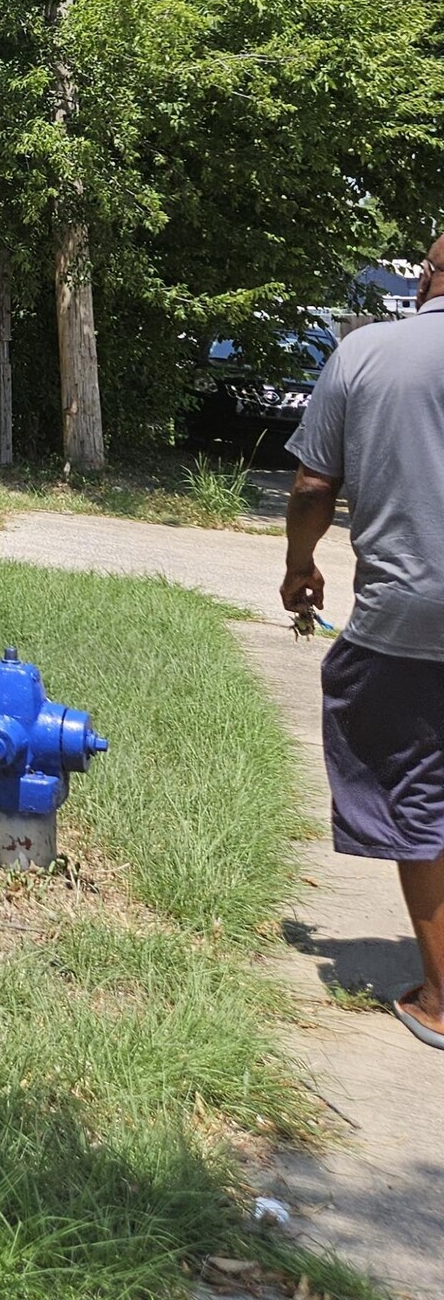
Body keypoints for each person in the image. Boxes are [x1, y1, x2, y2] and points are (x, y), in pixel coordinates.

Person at [283, 236, 444, 1050]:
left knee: (422, 793)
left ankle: (442, 1000)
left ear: (426, 276)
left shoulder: (366, 352)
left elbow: (315, 484)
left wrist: (299, 567)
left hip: (408, 624)